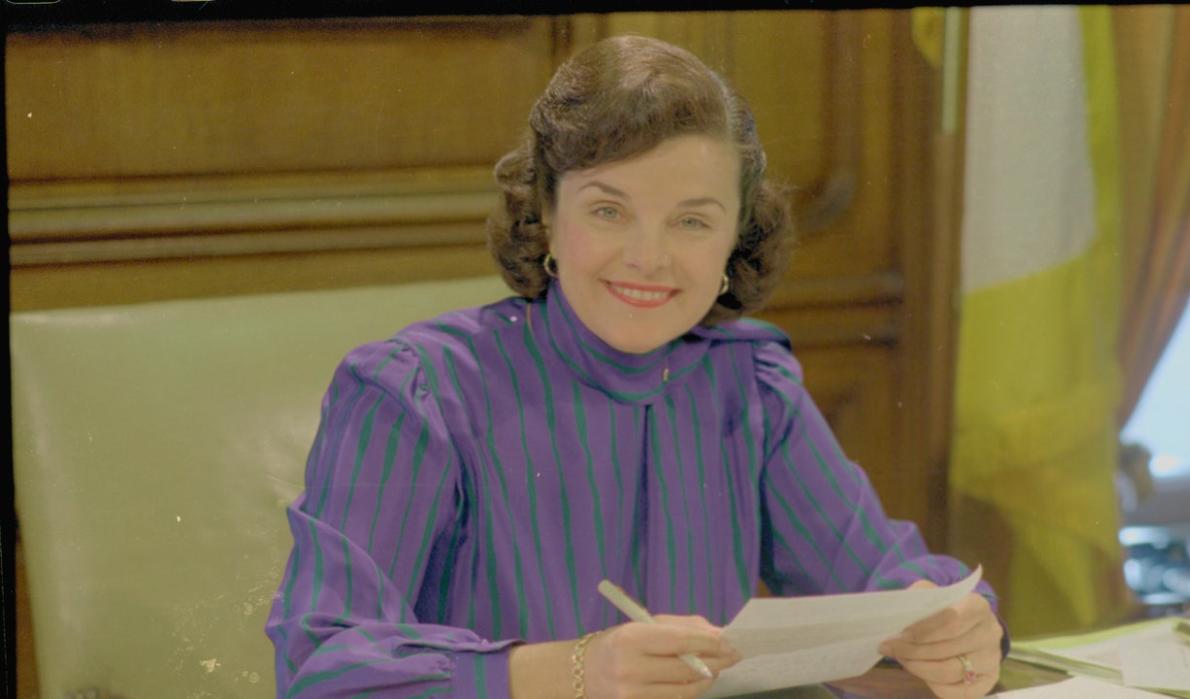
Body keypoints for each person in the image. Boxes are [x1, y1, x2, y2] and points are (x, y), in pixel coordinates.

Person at [266, 35, 1006, 699]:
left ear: (732, 244)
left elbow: (883, 582)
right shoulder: (412, 389)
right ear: (547, 216)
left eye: (691, 220)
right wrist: (575, 671)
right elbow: (322, 664)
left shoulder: (750, 383)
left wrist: (957, 627)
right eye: (609, 210)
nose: (649, 258)